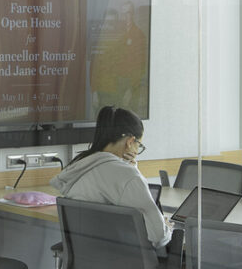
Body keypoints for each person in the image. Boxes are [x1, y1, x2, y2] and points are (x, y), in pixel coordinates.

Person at [48, 105, 171, 249]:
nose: (137, 150)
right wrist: (166, 226)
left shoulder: (80, 165)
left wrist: (129, 167)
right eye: (139, 145)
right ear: (130, 142)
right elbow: (158, 236)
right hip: (123, 261)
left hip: (88, 260)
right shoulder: (128, 177)